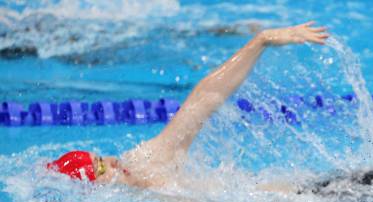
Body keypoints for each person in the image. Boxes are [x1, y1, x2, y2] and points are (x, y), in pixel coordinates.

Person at [46, 22, 330, 189]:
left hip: (307, 199)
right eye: (102, 168)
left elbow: (204, 99)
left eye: (102, 158)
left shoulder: (144, 162)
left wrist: (260, 41)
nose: (112, 161)